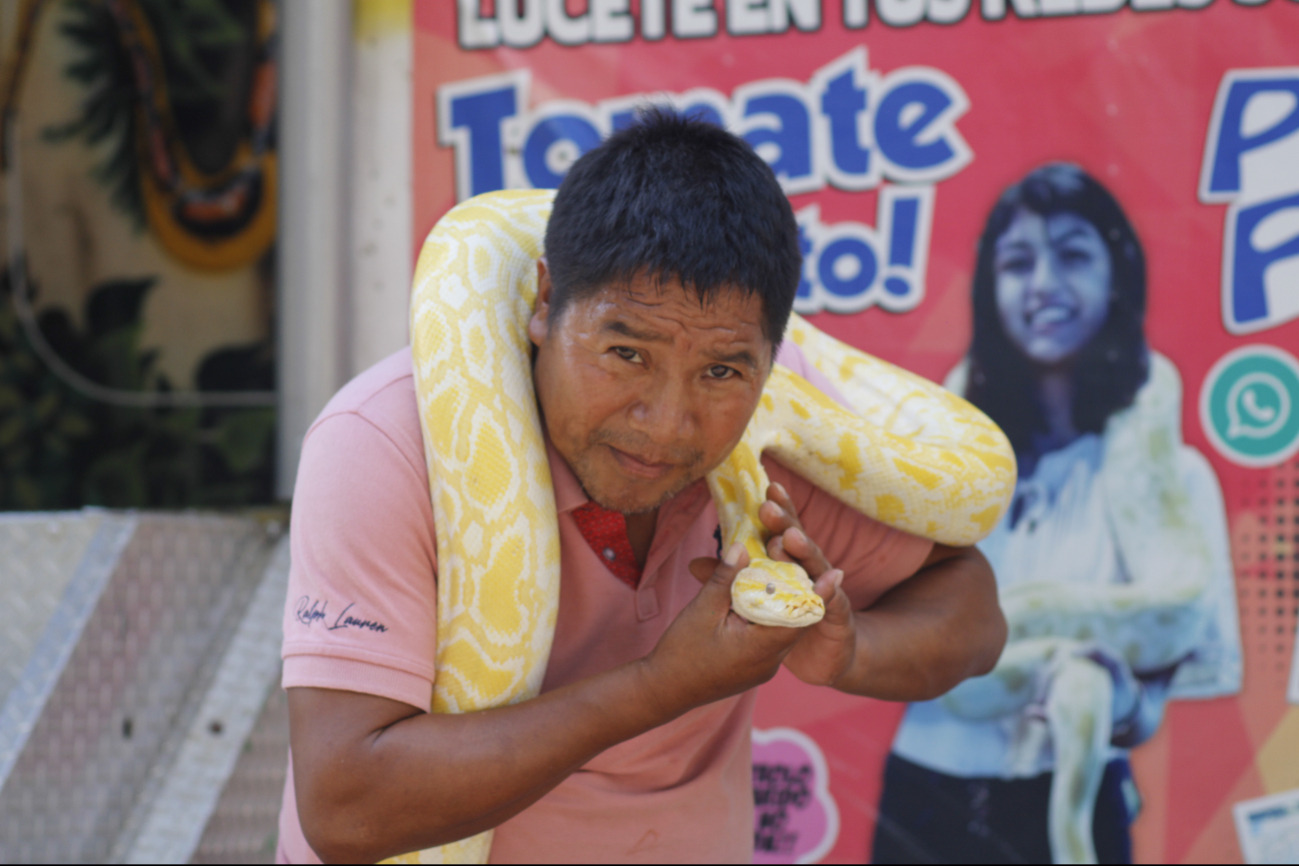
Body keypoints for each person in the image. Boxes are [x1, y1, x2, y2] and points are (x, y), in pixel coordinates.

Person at [276, 111, 1007, 864]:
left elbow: (973, 604)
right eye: (625, 353)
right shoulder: (391, 443)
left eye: (721, 371)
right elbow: (345, 806)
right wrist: (661, 685)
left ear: (770, 362)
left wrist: (850, 652)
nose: (665, 426)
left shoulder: (767, 443)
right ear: (542, 302)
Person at [872, 163, 1240, 864]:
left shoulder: (1174, 478)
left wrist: (1112, 697)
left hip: (1073, 788)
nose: (1043, 284)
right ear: (990, 289)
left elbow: (1157, 689)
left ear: (1116, 275)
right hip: (923, 790)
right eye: (1017, 263)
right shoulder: (942, 461)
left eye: (1072, 255)